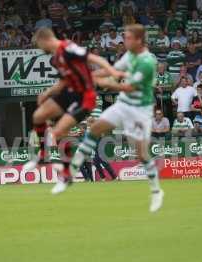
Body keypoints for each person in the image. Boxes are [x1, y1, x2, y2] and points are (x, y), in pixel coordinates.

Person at [71, 24, 164, 213]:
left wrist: (104, 83)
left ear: (139, 40)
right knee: (95, 127)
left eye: (128, 38)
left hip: (140, 109)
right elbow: (110, 71)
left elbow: (129, 87)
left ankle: (156, 190)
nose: (124, 42)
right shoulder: (129, 55)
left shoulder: (147, 62)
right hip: (123, 104)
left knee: (141, 154)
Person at [22, 27, 121, 194]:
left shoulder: (67, 48)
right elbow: (62, 82)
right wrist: (47, 93)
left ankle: (66, 176)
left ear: (44, 40)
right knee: (38, 116)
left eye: (39, 45)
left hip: (84, 97)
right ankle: (41, 155)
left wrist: (112, 72)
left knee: (59, 132)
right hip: (69, 92)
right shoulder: (56, 59)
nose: (40, 49)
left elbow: (95, 58)